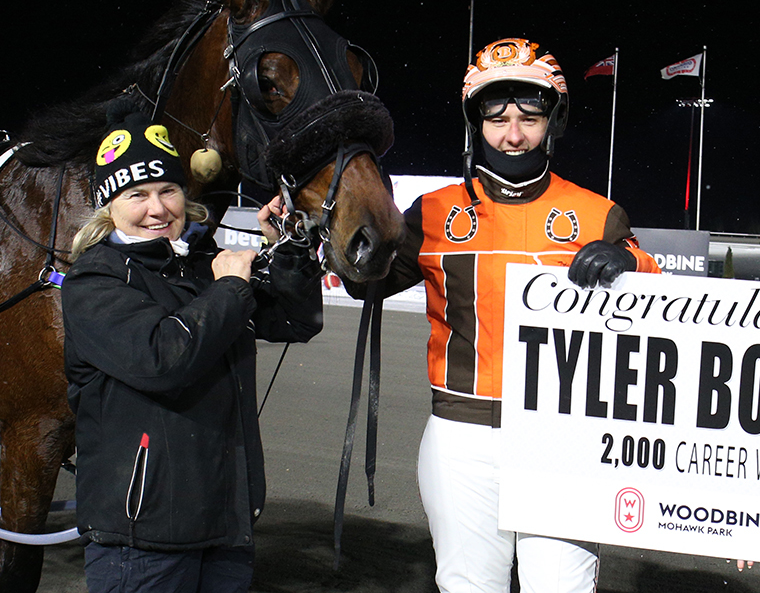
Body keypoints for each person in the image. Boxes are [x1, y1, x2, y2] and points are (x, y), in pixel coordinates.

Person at [346, 37, 660, 593]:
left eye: (529, 117)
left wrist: (628, 260)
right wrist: (304, 232)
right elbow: (363, 278)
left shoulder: (598, 212)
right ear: (476, 124)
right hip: (460, 438)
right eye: (496, 118)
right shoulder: (433, 211)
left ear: (553, 122)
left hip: (566, 439)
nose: (512, 135)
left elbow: (660, 310)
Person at [62, 105, 324, 592]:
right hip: (143, 537)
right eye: (137, 195)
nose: (157, 208)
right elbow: (164, 360)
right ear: (109, 207)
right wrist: (228, 289)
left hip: (224, 524)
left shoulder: (201, 264)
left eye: (168, 190)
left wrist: (288, 246)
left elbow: (296, 320)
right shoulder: (94, 279)